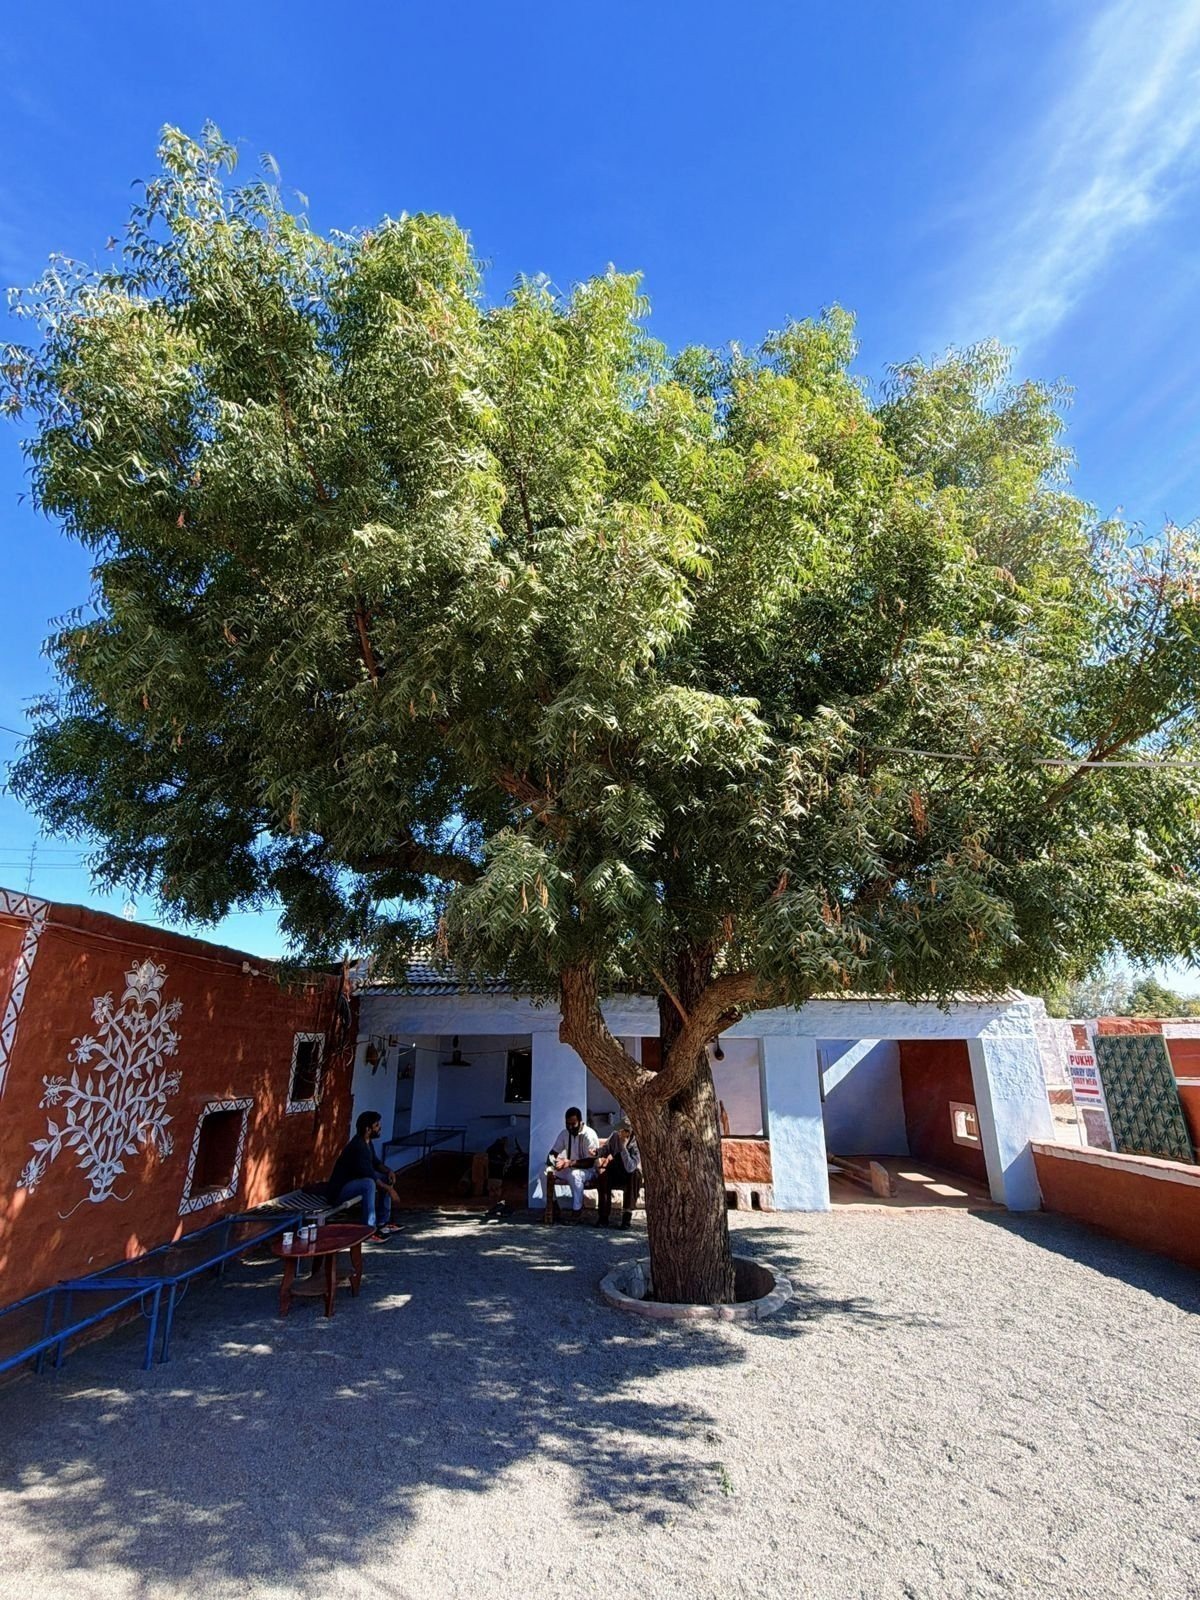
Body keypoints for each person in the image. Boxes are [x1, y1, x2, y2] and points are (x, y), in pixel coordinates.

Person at [325, 1110, 403, 1241]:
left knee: (384, 1178)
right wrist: (390, 1189)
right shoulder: (358, 1146)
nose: (379, 1128)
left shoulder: (367, 1143)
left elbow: (376, 1163)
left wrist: (388, 1171)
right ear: (368, 1129)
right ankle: (368, 1229)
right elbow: (370, 1174)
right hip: (341, 1190)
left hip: (354, 1184)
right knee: (369, 1184)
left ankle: (383, 1222)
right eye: (376, 1125)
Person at [545, 1106, 598, 1222]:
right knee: (543, 1171)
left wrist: (568, 1163)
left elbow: (590, 1162)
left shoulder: (589, 1135)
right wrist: (554, 1163)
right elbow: (552, 1153)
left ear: (580, 1122)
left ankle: (577, 1212)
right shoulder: (564, 1134)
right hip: (569, 1167)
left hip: (588, 1171)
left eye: (573, 1124)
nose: (570, 1127)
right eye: (567, 1124)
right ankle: (554, 1207)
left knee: (575, 1175)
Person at [595, 1115, 642, 1227]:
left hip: (629, 1172)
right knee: (603, 1177)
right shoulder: (615, 1136)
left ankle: (627, 1215)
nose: (619, 1133)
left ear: (628, 1132)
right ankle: (603, 1216)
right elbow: (606, 1149)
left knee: (635, 1175)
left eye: (622, 1131)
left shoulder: (637, 1143)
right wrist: (597, 1152)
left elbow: (630, 1167)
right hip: (616, 1169)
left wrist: (623, 1148)